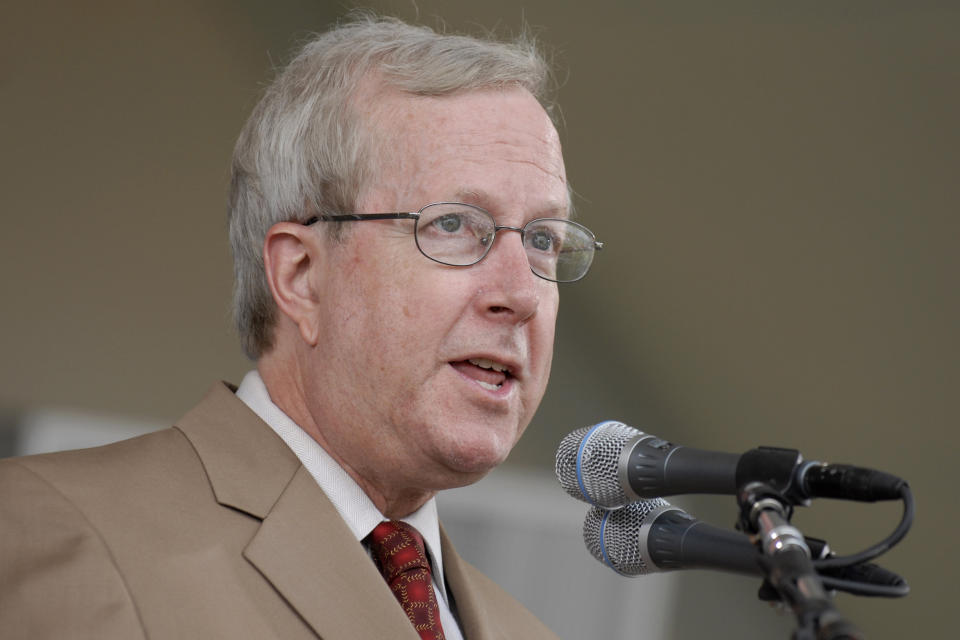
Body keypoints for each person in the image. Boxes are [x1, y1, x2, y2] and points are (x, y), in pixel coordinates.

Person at [0, 15, 602, 639]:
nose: (521, 293)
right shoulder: (58, 531)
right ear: (302, 275)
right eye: (453, 225)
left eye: (542, 240)